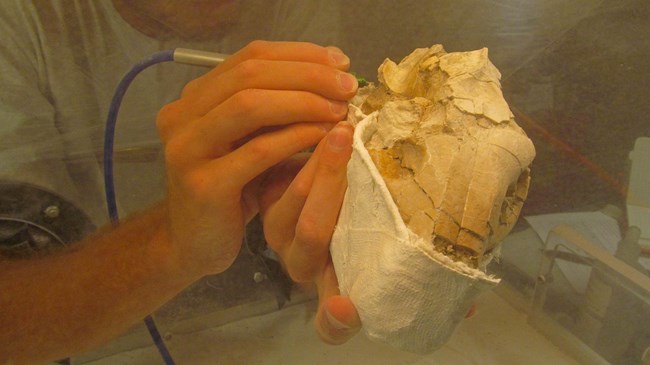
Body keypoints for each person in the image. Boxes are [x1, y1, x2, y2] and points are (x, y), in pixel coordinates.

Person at [0, 1, 362, 364]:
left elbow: (310, 204)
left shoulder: (295, 8)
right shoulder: (24, 23)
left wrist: (334, 247)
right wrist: (171, 243)